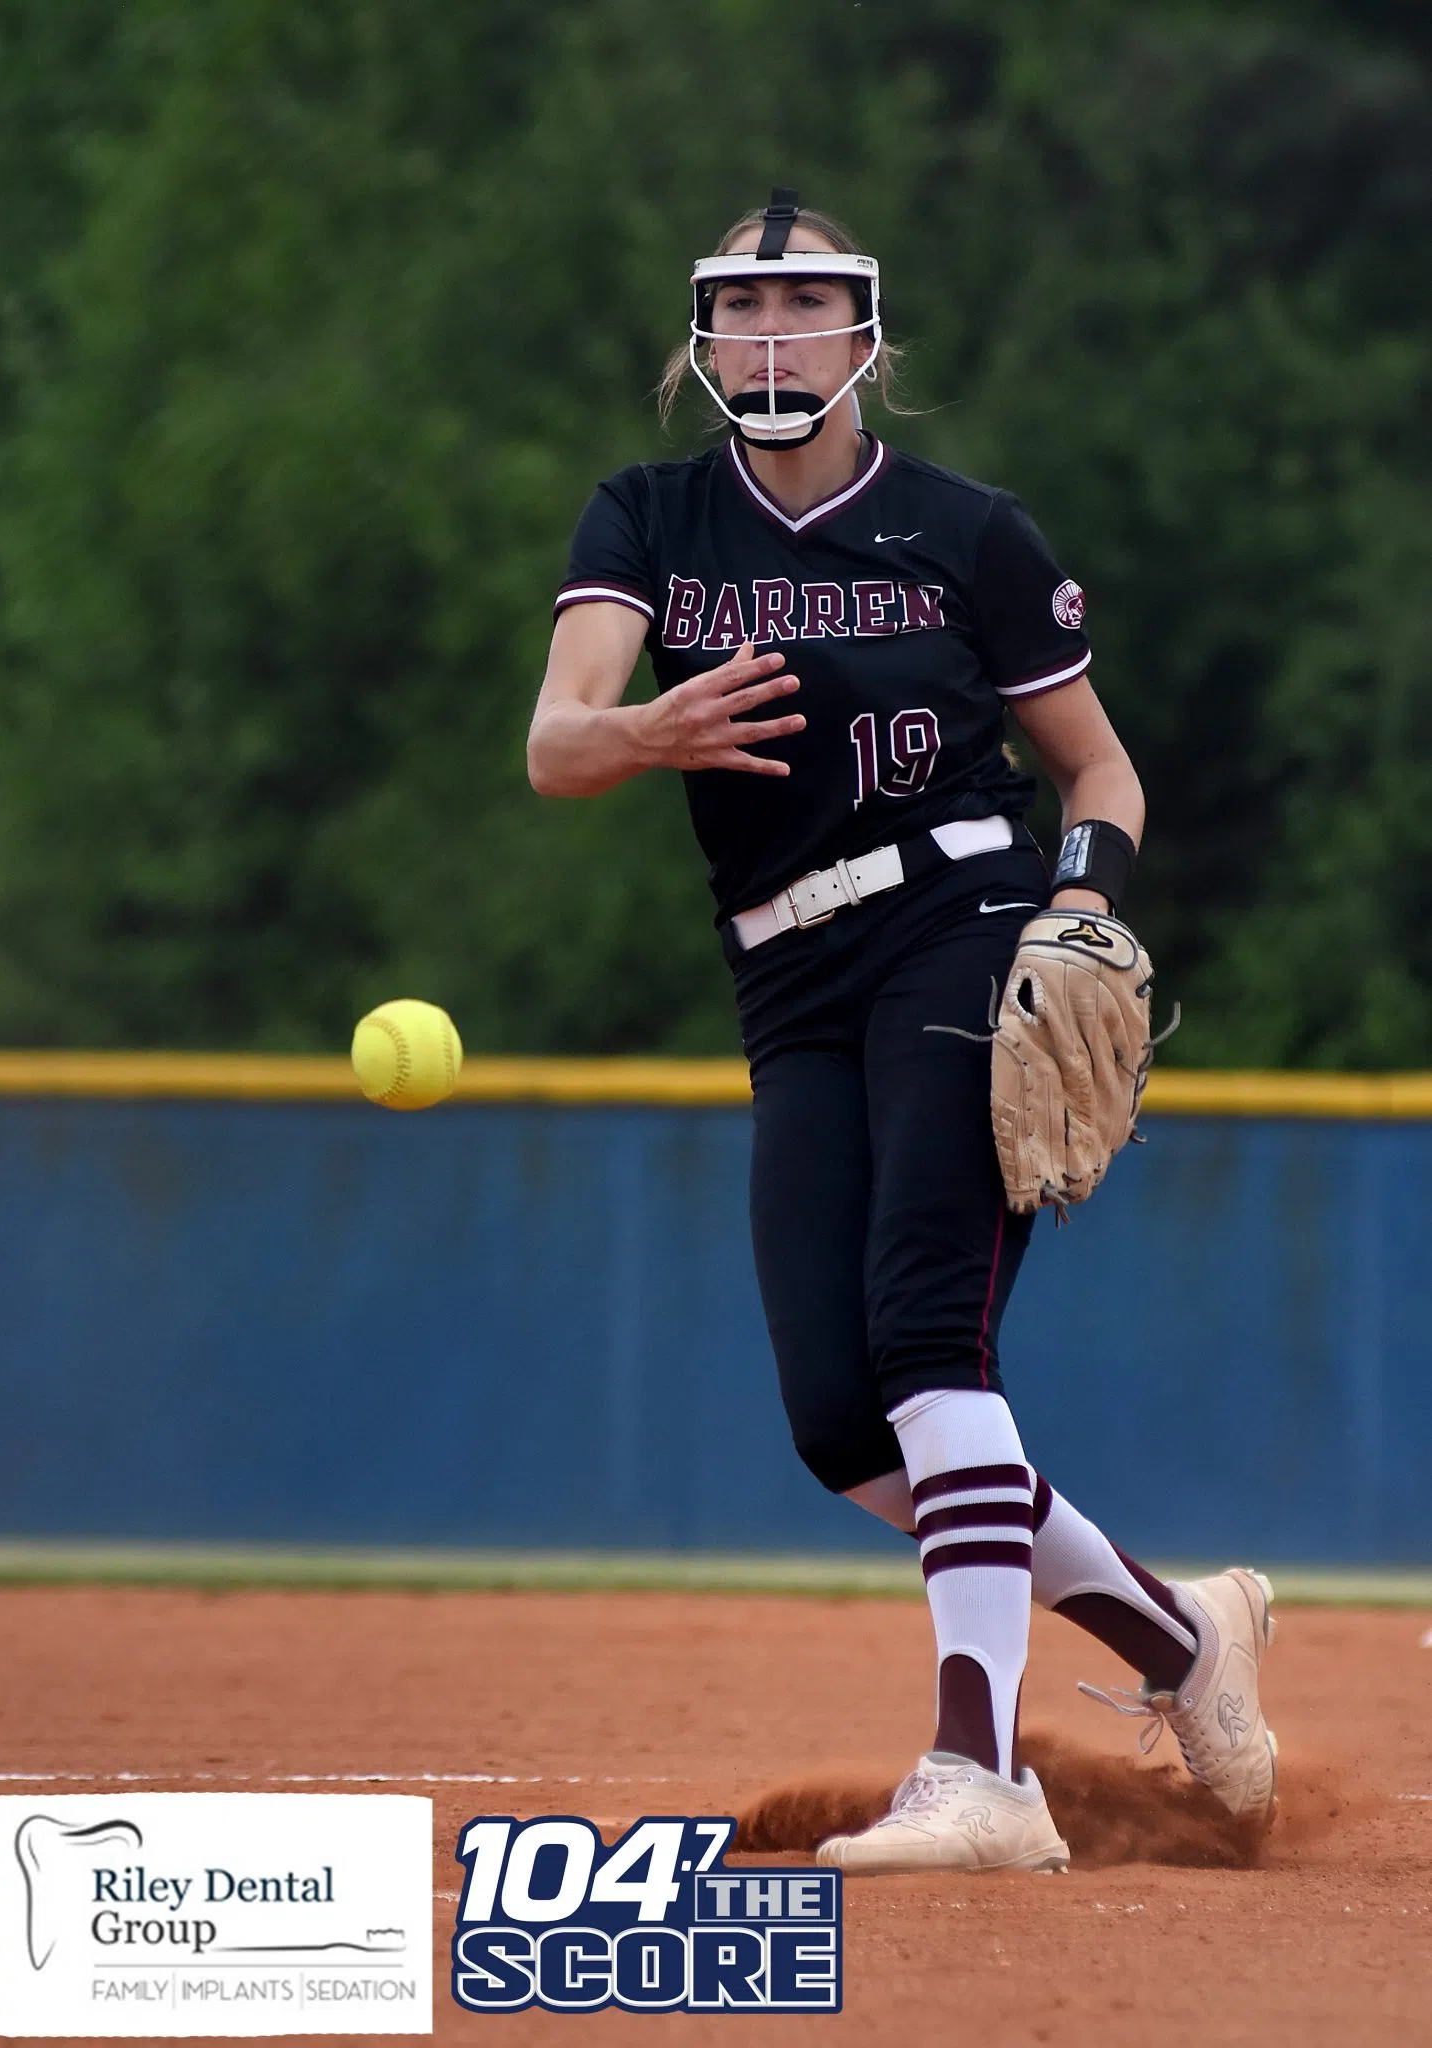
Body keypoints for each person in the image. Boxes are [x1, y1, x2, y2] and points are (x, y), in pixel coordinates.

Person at [527, 189, 1276, 1874]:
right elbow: (555, 747)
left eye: (806, 307)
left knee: (928, 1332)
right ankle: (1180, 1641)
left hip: (958, 920)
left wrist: (1081, 901)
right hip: (785, 978)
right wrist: (644, 729)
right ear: (701, 339)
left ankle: (982, 1780)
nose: (771, 337)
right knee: (838, 1422)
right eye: (742, 309)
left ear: (867, 336)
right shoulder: (647, 518)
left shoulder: (964, 529)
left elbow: (1100, 767)